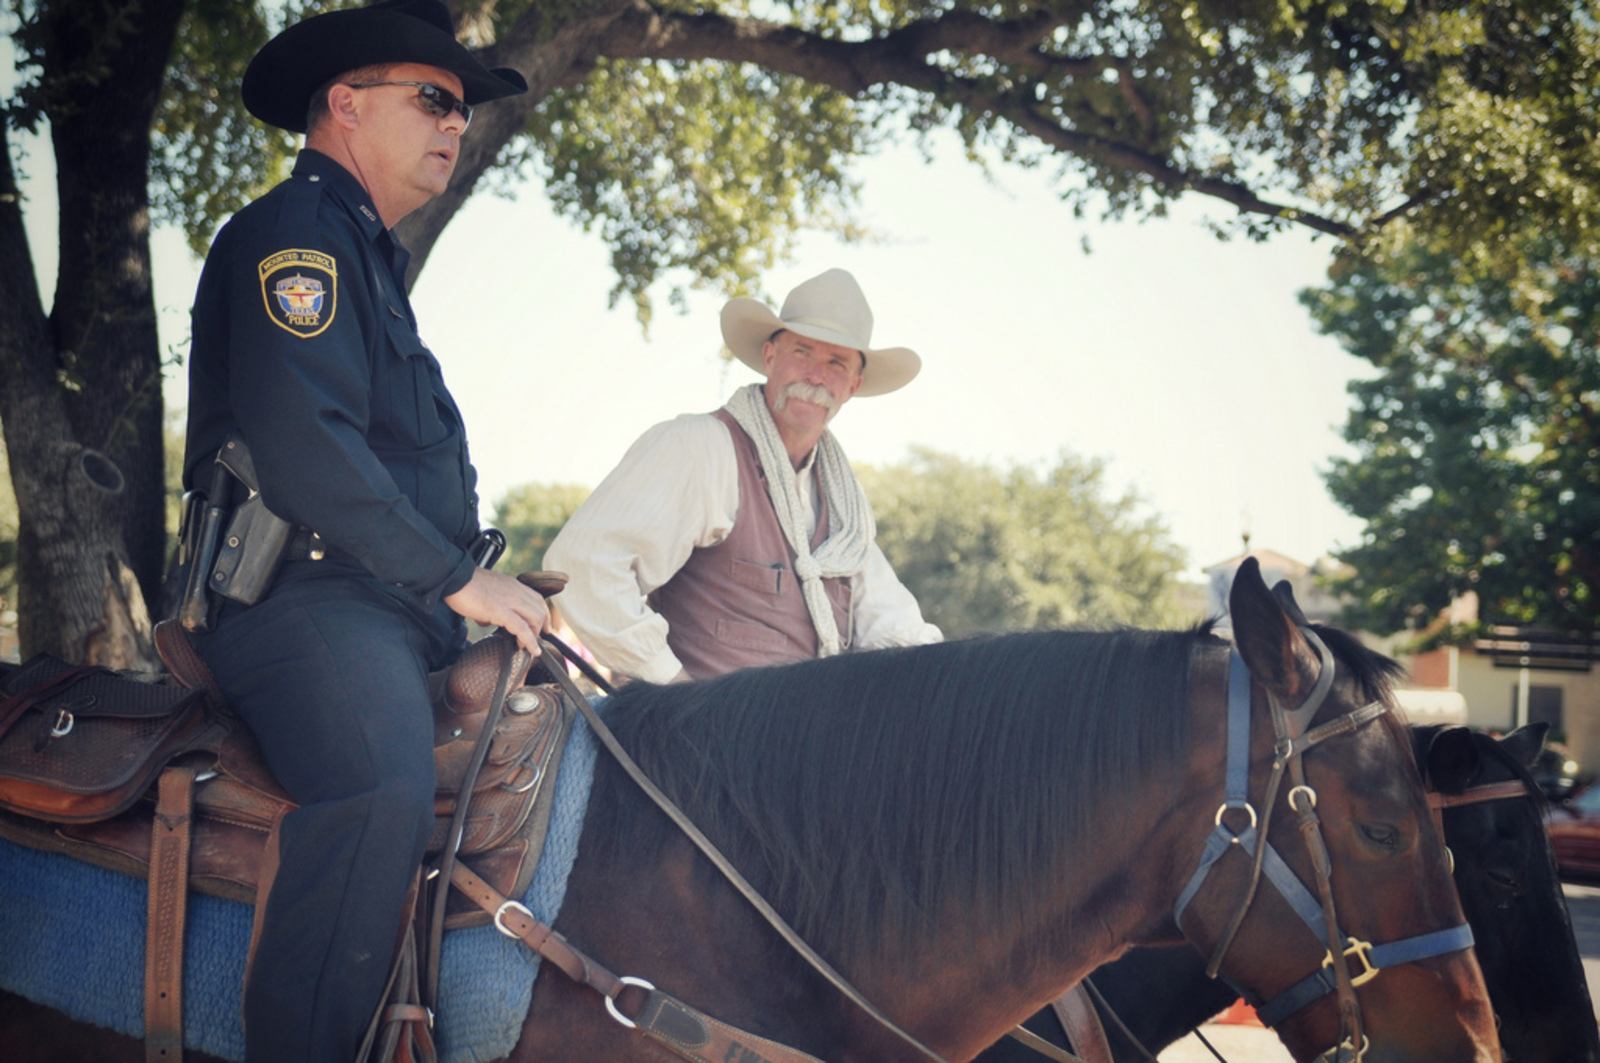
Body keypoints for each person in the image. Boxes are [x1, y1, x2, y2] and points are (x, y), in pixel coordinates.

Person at [178, 3, 548, 1060]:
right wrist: (459, 579)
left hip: (389, 608)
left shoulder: (366, 257)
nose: (456, 123)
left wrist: (480, 588)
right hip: (303, 602)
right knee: (379, 787)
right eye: (433, 99)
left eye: (462, 109)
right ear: (345, 105)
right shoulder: (294, 238)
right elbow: (308, 449)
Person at [544, 268, 941, 683]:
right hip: (699, 720)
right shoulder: (702, 446)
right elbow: (583, 563)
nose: (816, 376)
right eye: (802, 352)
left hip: (810, 723)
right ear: (770, 356)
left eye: (836, 363)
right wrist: (675, 688)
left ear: (854, 385)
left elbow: (897, 630)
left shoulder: (844, 504)